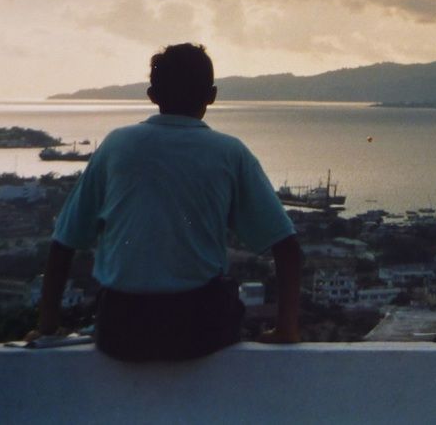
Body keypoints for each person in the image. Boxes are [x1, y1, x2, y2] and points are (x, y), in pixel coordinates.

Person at [27, 43, 303, 360]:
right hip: (200, 332)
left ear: (152, 95)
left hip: (120, 332)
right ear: (212, 95)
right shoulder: (229, 152)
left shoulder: (117, 145)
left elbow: (64, 241)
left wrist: (47, 326)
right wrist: (286, 330)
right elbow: (287, 246)